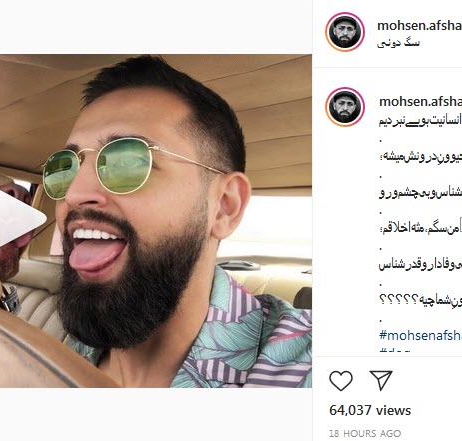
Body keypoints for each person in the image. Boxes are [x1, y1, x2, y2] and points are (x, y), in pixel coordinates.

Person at [43, 55, 312, 388]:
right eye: (66, 166)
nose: (73, 193)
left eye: (128, 161)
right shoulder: (49, 353)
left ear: (224, 207)